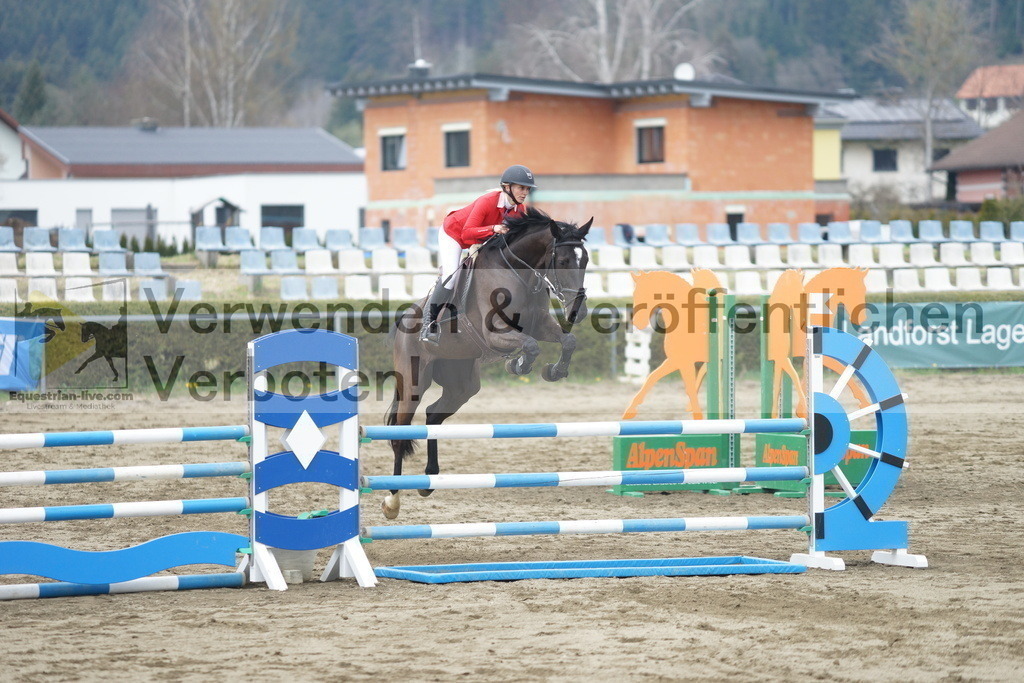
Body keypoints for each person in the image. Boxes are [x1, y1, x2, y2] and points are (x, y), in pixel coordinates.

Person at [419, 164, 537, 343]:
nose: (524, 192)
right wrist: (494, 228)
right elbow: (467, 233)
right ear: (507, 187)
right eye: (521, 187)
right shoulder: (487, 201)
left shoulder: (520, 210)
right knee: (452, 275)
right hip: (454, 233)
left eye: (527, 189)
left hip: (481, 239)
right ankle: (429, 323)